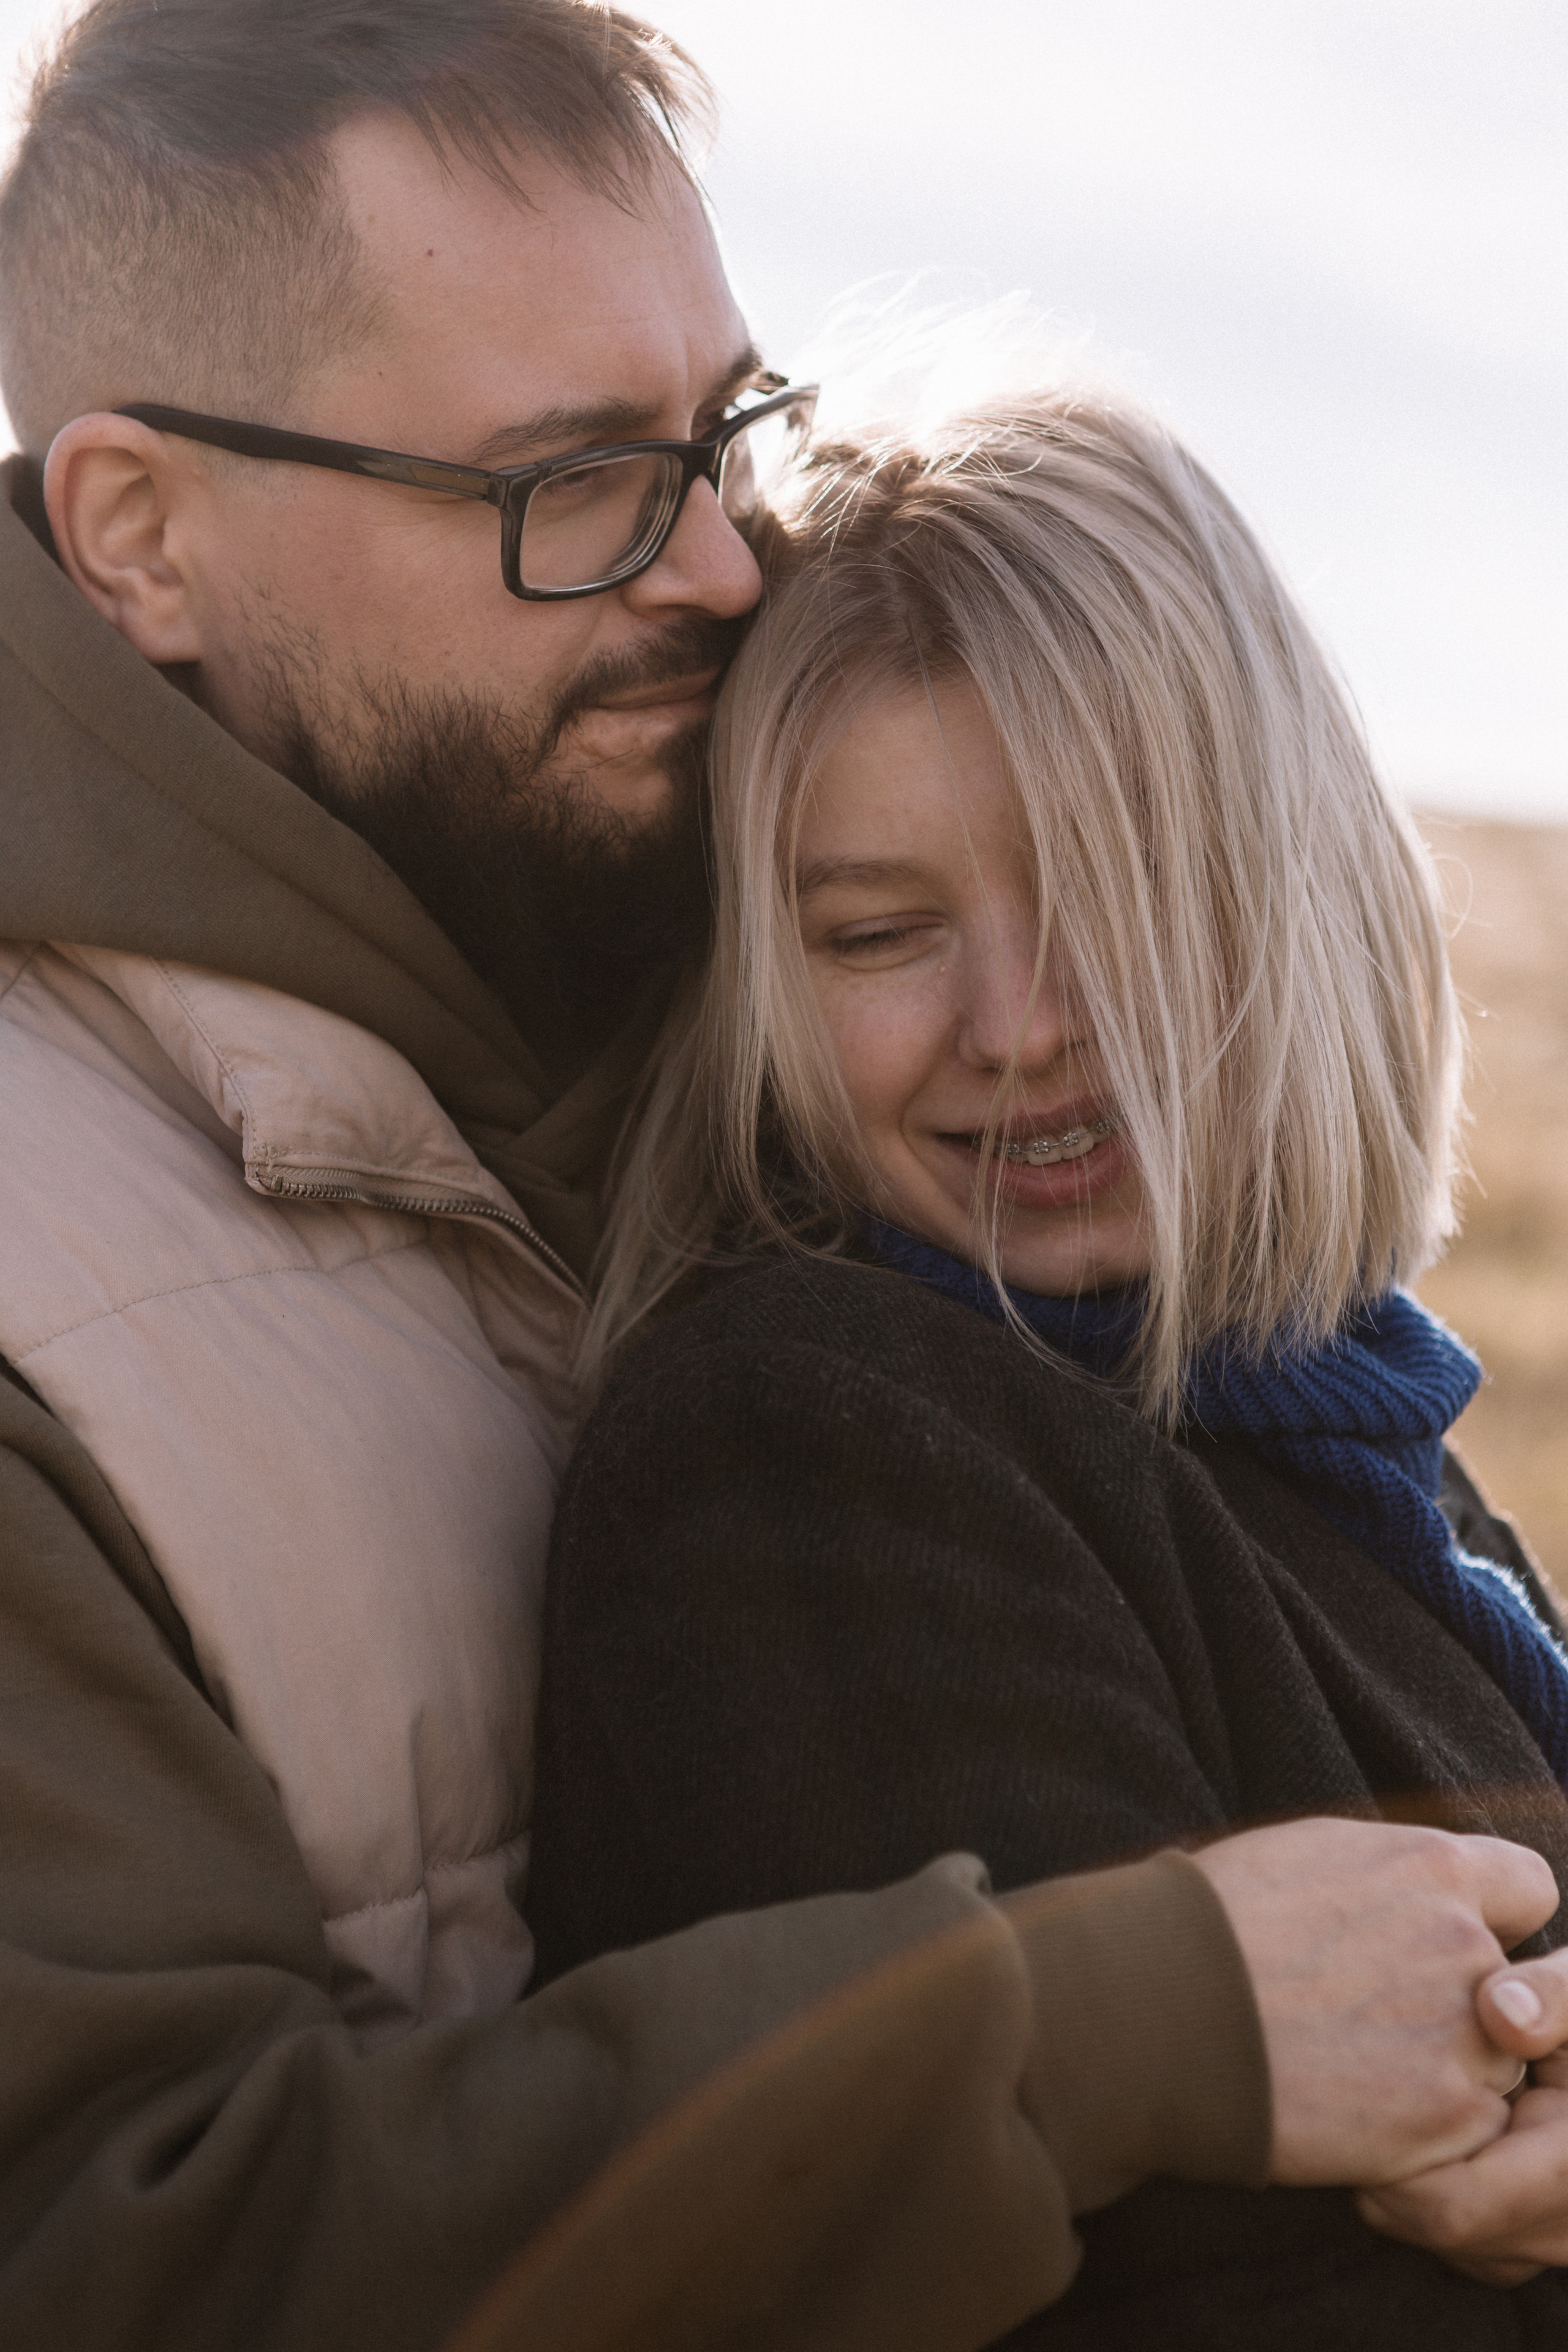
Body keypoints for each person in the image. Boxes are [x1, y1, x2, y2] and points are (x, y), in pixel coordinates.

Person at [0, 3, 1563, 2343]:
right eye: (571, 479)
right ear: (144, 532)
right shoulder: (60, 1265)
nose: (726, 569)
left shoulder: (646, 986)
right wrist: (1124, 2023)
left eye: (723, 437)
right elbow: (118, 2257)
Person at [526, 390, 1568, 2343]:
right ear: (760, 986)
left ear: (1299, 880)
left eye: (1114, 885)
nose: (1021, 1022)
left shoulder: (1333, 1432)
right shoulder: (811, 1452)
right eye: (879, 932)